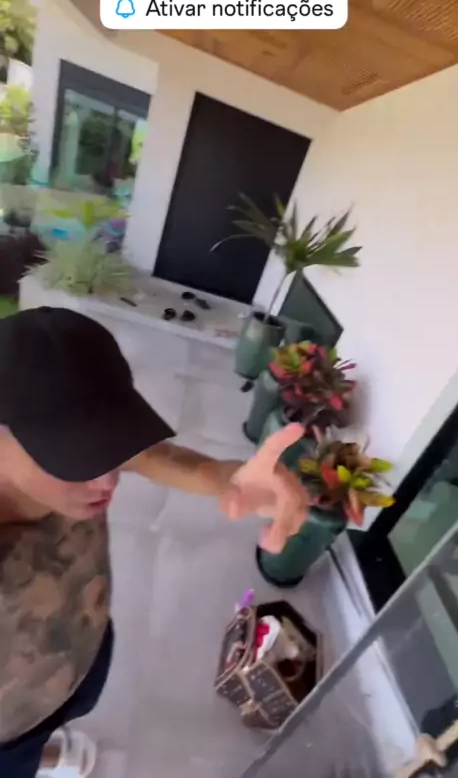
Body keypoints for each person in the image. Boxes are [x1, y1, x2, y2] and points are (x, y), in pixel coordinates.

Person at [0, 307, 308, 778]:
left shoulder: (74, 463)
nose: (106, 480)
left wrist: (223, 477)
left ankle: (47, 744)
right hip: (9, 724)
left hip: (85, 647)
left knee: (69, 710)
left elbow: (149, 456)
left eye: (108, 445)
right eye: (74, 456)